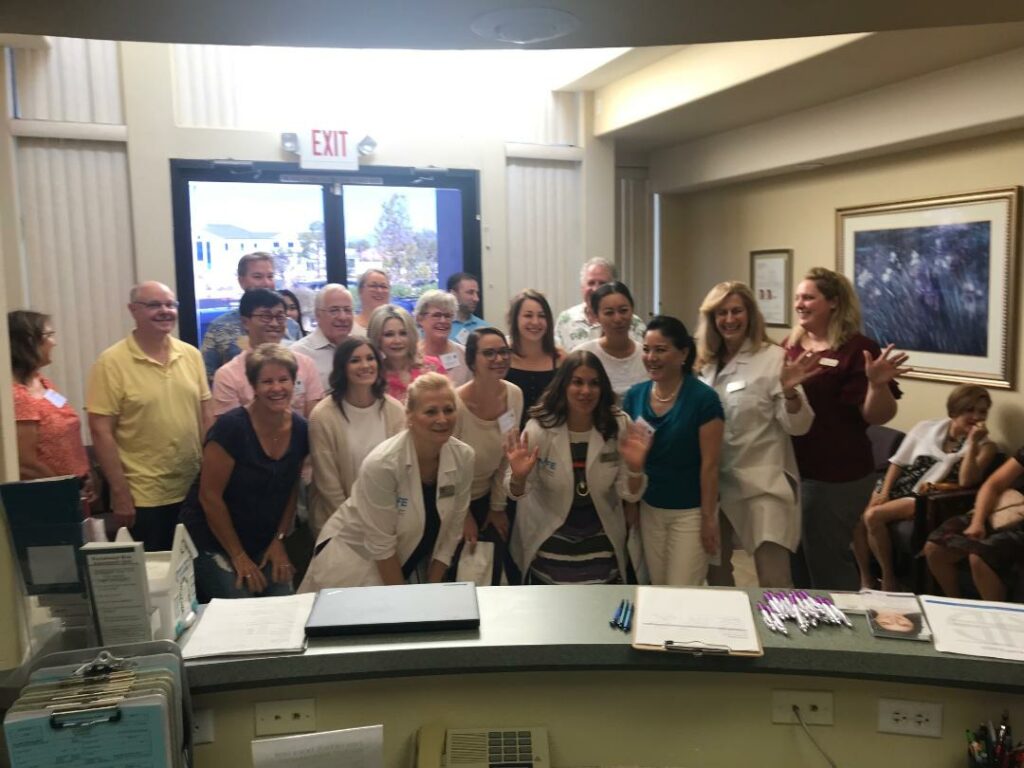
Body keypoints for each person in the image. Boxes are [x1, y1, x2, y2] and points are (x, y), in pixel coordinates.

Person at [784, 266, 909, 590]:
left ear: (834, 302)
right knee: (793, 558)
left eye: (809, 297)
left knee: (825, 562)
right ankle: (801, 628)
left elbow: (877, 416)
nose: (799, 304)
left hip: (836, 475)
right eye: (798, 297)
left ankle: (839, 632)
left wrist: (877, 385)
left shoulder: (857, 349)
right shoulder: (791, 345)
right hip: (791, 469)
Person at [299, 373, 474, 590]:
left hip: (403, 562)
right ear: (409, 416)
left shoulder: (464, 457)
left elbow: (452, 531)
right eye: (430, 411)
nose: (442, 419)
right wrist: (403, 606)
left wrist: (431, 589)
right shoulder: (383, 464)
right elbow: (381, 548)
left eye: (448, 409)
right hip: (353, 567)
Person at [694, 282, 817, 588]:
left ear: (750, 314)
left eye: (737, 311)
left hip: (763, 486)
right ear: (711, 319)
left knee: (774, 582)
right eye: (721, 313)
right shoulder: (704, 365)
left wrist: (790, 394)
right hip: (716, 486)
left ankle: (779, 636)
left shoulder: (774, 359)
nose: (730, 319)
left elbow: (799, 426)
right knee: (717, 576)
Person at [87, 282, 214, 550]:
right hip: (143, 497)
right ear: (133, 310)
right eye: (154, 305)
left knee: (196, 574)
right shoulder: (111, 362)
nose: (165, 311)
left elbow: (206, 417)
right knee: (158, 577)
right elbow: (101, 431)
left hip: (192, 488)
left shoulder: (191, 355)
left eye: (170, 304)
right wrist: (120, 493)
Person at [505, 350, 650, 584]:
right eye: (577, 382)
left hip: (601, 545)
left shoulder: (618, 425)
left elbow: (629, 494)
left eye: (594, 383)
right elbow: (517, 491)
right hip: (549, 541)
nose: (586, 391)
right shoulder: (540, 428)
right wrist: (519, 477)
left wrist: (635, 468)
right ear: (563, 385)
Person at [181, 344, 310, 601]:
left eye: (284, 380)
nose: (276, 388)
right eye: (267, 381)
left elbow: (291, 488)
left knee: (285, 604)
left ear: (294, 383)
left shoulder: (301, 429)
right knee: (239, 605)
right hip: (213, 539)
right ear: (253, 386)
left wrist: (279, 540)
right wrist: (237, 555)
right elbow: (209, 497)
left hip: (263, 539)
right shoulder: (232, 428)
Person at [853, 384, 995, 591]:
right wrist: (884, 492)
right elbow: (898, 462)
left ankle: (888, 578)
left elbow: (967, 481)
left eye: (982, 412)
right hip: (901, 483)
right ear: (954, 411)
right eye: (969, 410)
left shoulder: (987, 447)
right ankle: (866, 578)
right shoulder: (926, 428)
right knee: (856, 519)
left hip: (929, 495)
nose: (976, 417)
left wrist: (972, 444)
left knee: (873, 516)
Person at [621, 315, 724, 586]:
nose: (651, 357)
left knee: (682, 591)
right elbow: (630, 459)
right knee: (657, 587)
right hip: (650, 508)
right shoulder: (634, 396)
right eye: (646, 349)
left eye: (660, 350)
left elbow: (710, 466)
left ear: (683, 353)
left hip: (690, 512)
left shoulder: (704, 400)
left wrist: (708, 519)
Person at [307, 337, 405, 534]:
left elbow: (402, 471)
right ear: (342, 367)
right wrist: (356, 526)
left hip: (386, 518)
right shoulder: (322, 416)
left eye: (370, 358)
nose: (365, 365)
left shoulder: (394, 410)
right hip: (339, 523)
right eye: (355, 360)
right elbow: (328, 485)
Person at [452, 328, 524, 583]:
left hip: (490, 495)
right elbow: (447, 468)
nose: (499, 359)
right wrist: (463, 516)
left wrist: (497, 507)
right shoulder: (455, 405)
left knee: (498, 567)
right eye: (489, 353)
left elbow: (508, 456)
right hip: (451, 500)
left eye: (504, 352)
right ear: (472, 361)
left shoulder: (514, 394)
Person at [8, 310, 95, 501]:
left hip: (74, 489)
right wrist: (66, 489)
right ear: (28, 341)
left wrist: (84, 478)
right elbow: (25, 463)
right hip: (47, 498)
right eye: (49, 336)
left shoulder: (43, 383)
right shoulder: (17, 395)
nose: (54, 342)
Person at [924, 451, 1024, 602]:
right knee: (935, 547)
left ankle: (995, 617)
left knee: (980, 556)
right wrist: (978, 521)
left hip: (1019, 527)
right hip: (1007, 512)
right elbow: (993, 484)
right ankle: (957, 604)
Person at [211, 288, 324, 418]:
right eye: (266, 317)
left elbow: (314, 420)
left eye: (280, 317)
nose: (274, 323)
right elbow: (230, 430)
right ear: (245, 322)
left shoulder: (305, 364)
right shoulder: (228, 375)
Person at [200, 252, 301, 381]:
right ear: (241, 281)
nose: (266, 283)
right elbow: (207, 376)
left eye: (270, 277)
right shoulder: (220, 327)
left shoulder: (291, 326)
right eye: (257, 277)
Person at [554, 258, 645, 351]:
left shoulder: (635, 324)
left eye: (602, 283)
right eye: (591, 283)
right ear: (582, 286)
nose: (596, 289)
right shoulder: (565, 320)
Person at [577, 282, 647, 398]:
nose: (618, 319)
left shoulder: (646, 356)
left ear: (632, 310)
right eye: (609, 313)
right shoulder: (584, 355)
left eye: (623, 310)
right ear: (596, 316)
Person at [506, 289, 564, 429]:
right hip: (508, 438)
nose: (535, 322)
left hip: (551, 437)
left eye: (542, 316)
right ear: (515, 319)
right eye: (528, 315)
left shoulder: (561, 359)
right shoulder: (502, 357)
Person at [368, 304, 443, 403]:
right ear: (377, 338)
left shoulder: (433, 367)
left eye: (403, 333)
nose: (397, 340)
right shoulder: (373, 378)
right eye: (389, 334)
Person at [291, 284, 355, 391]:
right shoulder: (298, 354)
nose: (343, 317)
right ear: (317, 315)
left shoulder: (359, 349)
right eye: (334, 310)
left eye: (347, 310)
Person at [416, 289, 470, 386]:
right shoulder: (411, 355)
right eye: (437, 315)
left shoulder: (465, 355)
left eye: (448, 316)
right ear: (420, 319)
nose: (443, 320)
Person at [447, 271, 485, 343]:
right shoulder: (438, 327)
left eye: (477, 293)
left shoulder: (485, 328)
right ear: (453, 294)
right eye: (470, 292)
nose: (476, 299)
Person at [351, 269, 391, 337]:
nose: (379, 290)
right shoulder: (350, 327)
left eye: (383, 286)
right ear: (360, 290)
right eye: (373, 286)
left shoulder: (398, 326)